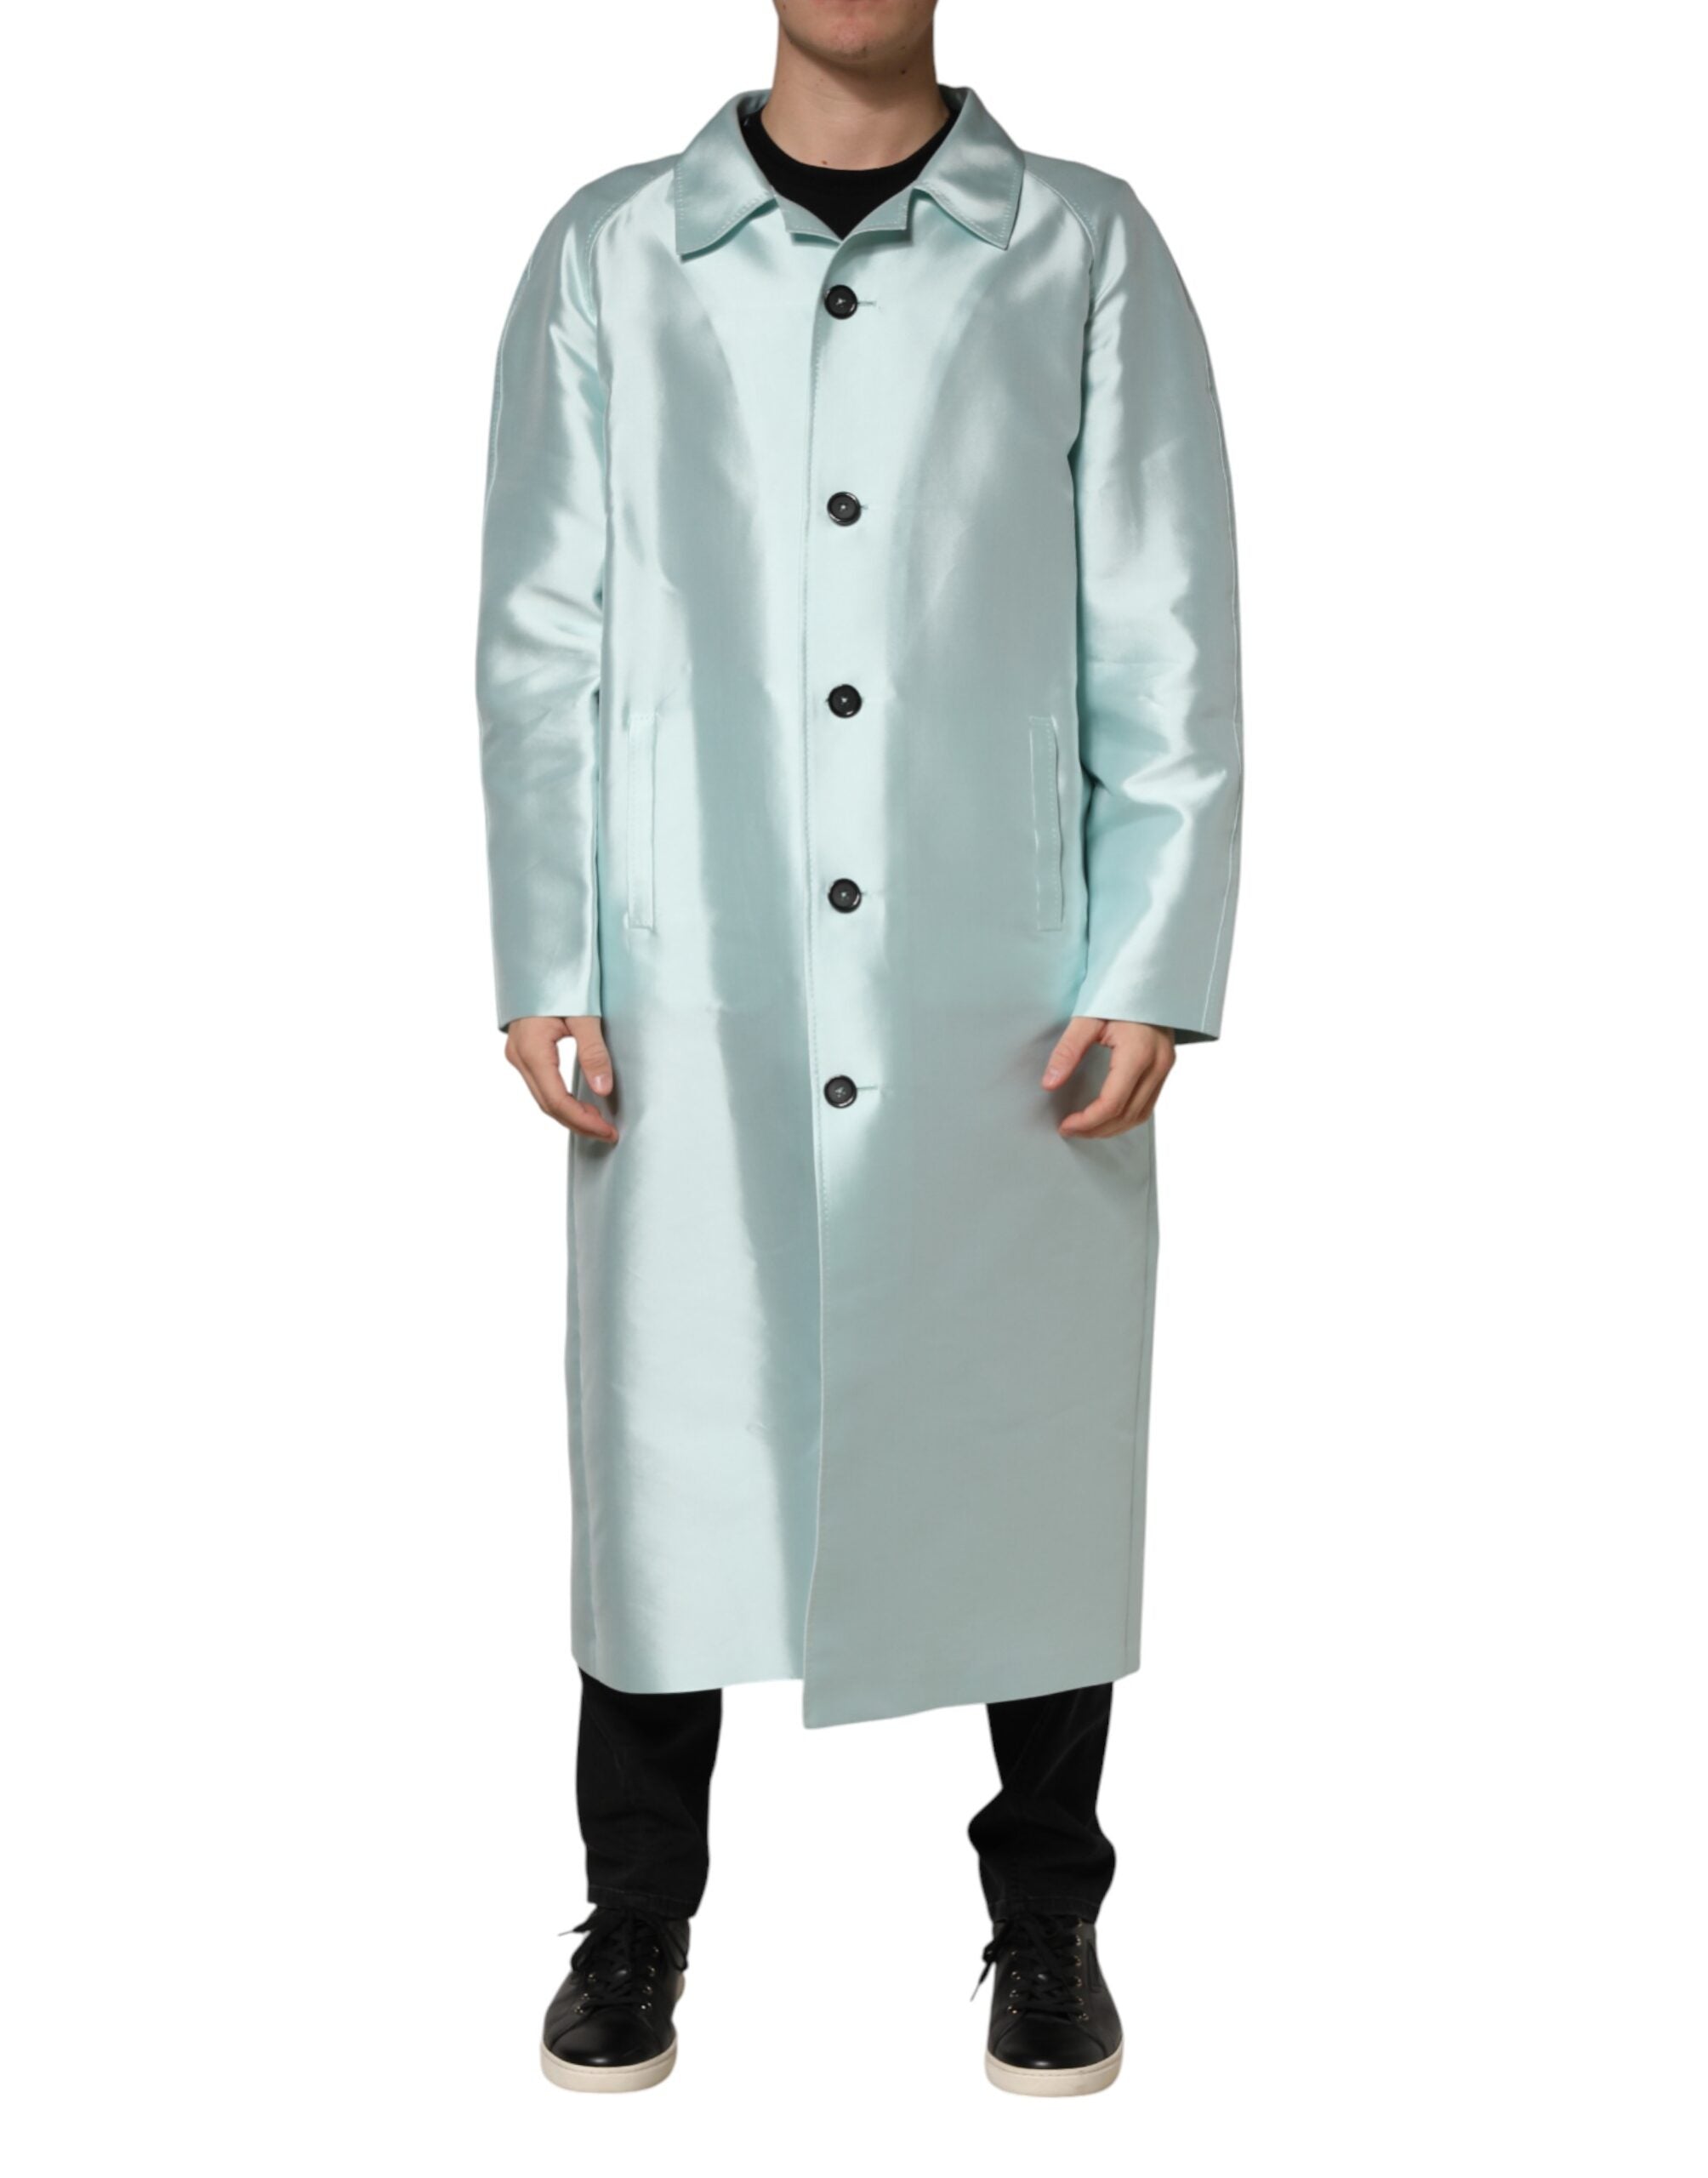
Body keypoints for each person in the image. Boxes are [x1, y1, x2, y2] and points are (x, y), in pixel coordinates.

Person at [476, 0, 1241, 2099]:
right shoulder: (614, 251)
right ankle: (634, 1912)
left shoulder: (1078, 243)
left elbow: (1162, 622)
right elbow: (543, 630)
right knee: (665, 1448)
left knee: (1029, 1442)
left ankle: (1048, 1916)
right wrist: (545, 945)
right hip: (694, 963)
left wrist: (1149, 954)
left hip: (997, 972)